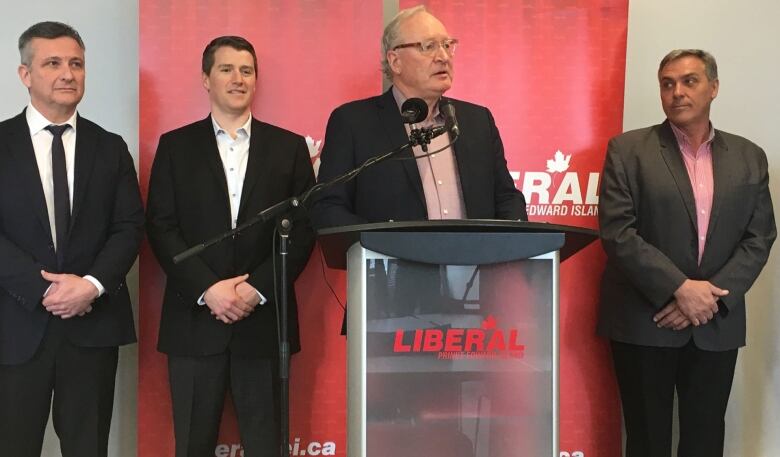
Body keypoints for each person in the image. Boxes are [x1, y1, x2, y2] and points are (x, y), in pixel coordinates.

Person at [598, 49, 776, 457]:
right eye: (667, 83)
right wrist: (679, 289)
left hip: (715, 323)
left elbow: (759, 236)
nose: (677, 92)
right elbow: (617, 231)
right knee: (646, 441)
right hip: (644, 320)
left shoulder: (749, 157)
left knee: (705, 439)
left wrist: (706, 297)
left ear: (714, 87)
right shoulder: (628, 151)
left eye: (689, 81)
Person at [146, 35, 315, 457]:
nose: (238, 79)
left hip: (264, 324)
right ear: (206, 78)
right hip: (193, 323)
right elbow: (162, 228)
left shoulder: (288, 148)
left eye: (246, 70)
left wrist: (253, 290)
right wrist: (210, 290)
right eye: (226, 69)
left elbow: (302, 231)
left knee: (267, 445)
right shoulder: (174, 146)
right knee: (192, 445)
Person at [0, 21, 144, 457]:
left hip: (92, 325)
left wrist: (91, 286)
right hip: (14, 328)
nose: (68, 73)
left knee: (88, 447)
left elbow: (129, 226)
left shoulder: (111, 147)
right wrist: (43, 289)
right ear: (26, 74)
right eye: (53, 63)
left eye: (76, 64)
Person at [310, 5, 526, 228]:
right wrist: (385, 246)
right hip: (392, 261)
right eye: (428, 46)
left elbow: (508, 198)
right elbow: (328, 207)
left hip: (474, 262)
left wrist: (506, 246)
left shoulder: (478, 121)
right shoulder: (353, 123)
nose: (443, 57)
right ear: (395, 61)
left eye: (447, 45)